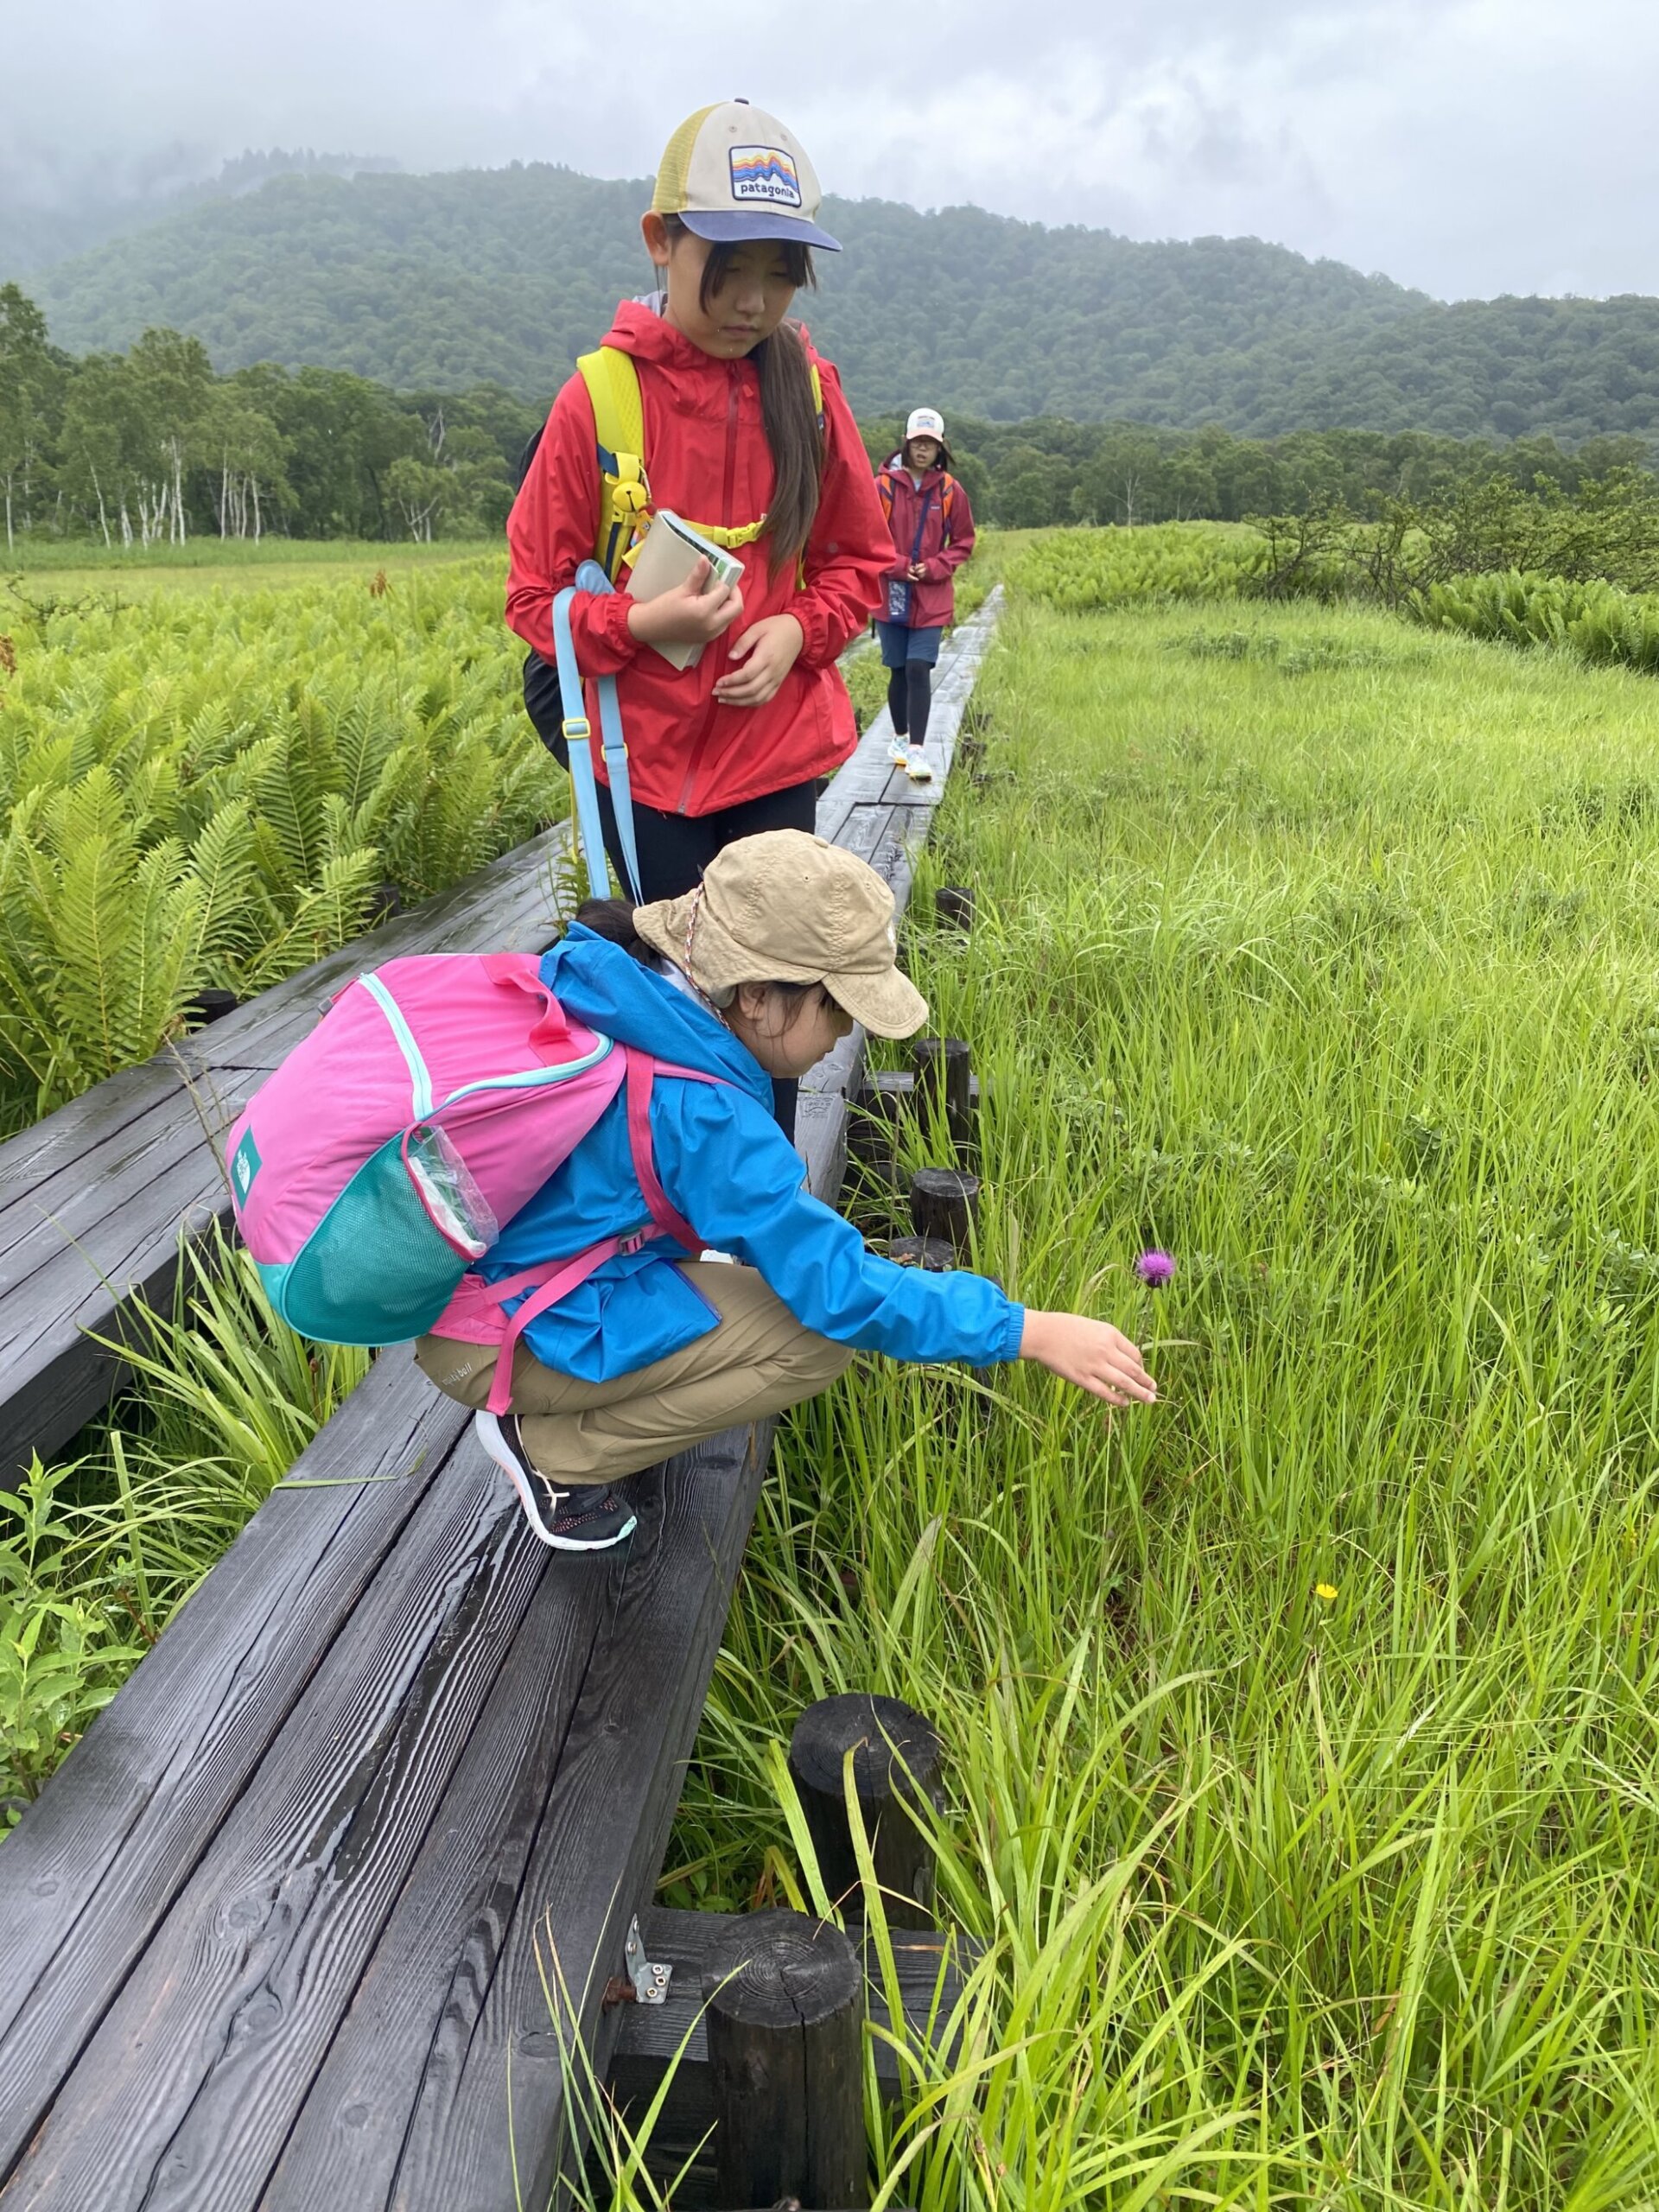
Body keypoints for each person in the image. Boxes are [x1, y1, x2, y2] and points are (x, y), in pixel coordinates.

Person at [413, 831, 1158, 1552]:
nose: (845, 1033)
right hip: (500, 1336)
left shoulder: (618, 987)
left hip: (476, 1293)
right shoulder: (705, 1114)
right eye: (837, 1008)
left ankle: (555, 1406)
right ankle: (551, 1453)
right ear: (757, 997)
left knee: (739, 1275)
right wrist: (1026, 1330)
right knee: (813, 1347)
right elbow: (841, 1289)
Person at [505, 98, 892, 923]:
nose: (753, 302)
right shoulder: (598, 400)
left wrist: (797, 633)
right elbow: (534, 600)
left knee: (769, 970)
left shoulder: (810, 394)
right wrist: (642, 624)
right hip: (642, 764)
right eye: (728, 266)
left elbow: (860, 562)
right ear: (660, 240)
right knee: (680, 972)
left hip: (776, 754)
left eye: (780, 273)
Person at [874, 409, 976, 782]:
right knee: (899, 669)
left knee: (919, 667)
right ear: (906, 442)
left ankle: (917, 749)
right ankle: (900, 739)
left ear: (940, 448)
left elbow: (963, 540)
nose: (922, 450)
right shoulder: (882, 488)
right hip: (892, 592)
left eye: (929, 444)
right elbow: (868, 538)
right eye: (917, 442)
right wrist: (899, 566)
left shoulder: (949, 490)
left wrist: (935, 567)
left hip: (932, 595)